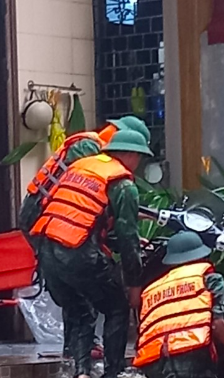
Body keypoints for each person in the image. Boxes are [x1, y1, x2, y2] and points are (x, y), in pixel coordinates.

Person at [19, 116, 150, 358]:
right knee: (85, 284)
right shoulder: (90, 151)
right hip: (45, 220)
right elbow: (84, 200)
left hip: (48, 221)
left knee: (77, 292)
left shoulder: (91, 146)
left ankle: (79, 357)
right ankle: (90, 352)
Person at [133, 231, 224, 378]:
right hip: (194, 362)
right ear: (201, 255)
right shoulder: (209, 278)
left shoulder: (153, 289)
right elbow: (217, 324)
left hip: (155, 370)